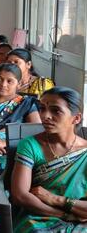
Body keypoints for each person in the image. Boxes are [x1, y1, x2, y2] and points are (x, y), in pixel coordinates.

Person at [12, 87, 87, 232]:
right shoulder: (30, 145)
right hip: (39, 217)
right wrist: (64, 215)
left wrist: (55, 199)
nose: (45, 116)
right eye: (42, 108)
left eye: (56, 110)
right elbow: (20, 196)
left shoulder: (84, 152)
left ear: (76, 118)